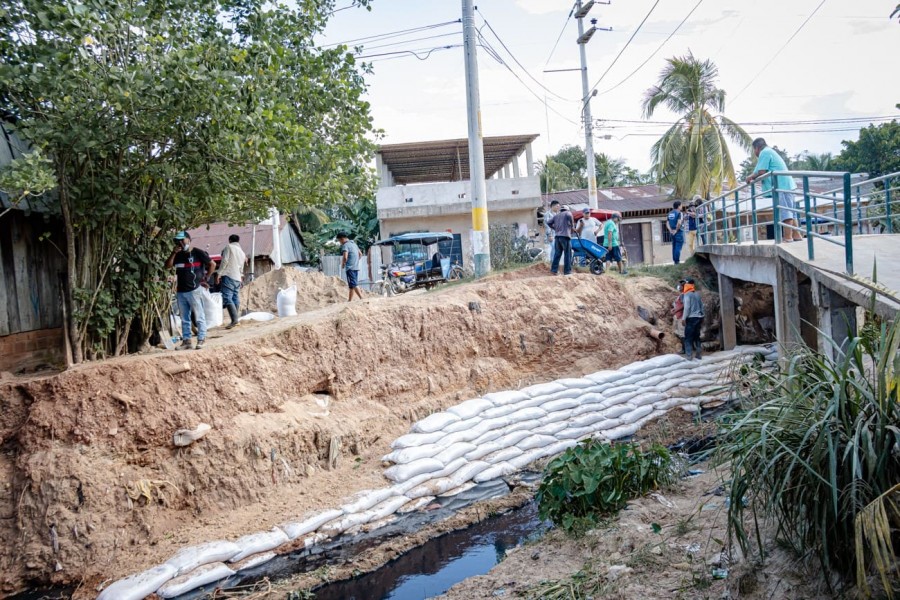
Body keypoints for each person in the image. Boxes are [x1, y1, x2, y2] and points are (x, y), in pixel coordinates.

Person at [165, 231, 215, 350]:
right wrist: (173, 253)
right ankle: (187, 342)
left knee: (199, 316)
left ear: (188, 239)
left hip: (194, 290)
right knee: (184, 318)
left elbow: (212, 264)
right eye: (178, 241)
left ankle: (201, 339)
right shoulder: (178, 255)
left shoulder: (198, 252)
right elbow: (167, 266)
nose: (180, 243)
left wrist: (206, 278)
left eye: (182, 240)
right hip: (181, 291)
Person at [746, 138, 801, 242]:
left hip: (782, 185)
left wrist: (750, 177)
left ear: (757, 148)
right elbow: (761, 171)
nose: (755, 153)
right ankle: (796, 235)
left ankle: (788, 237)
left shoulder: (765, 152)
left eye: (754, 150)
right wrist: (752, 176)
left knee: (786, 211)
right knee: (791, 211)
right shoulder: (769, 151)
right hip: (786, 184)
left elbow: (762, 171)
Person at [217, 234, 246, 329]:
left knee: (227, 297)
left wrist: (219, 273)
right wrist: (241, 276)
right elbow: (242, 266)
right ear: (238, 241)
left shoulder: (228, 247)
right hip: (237, 277)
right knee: (235, 297)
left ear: (229, 240)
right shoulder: (242, 252)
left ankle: (234, 320)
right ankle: (235, 319)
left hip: (229, 275)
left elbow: (224, 261)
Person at [546, 201, 574, 275]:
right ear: (567, 210)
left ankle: (554, 270)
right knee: (568, 254)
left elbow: (548, 222)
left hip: (557, 237)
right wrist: (572, 226)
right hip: (565, 236)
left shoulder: (556, 216)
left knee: (557, 254)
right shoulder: (568, 213)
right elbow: (570, 216)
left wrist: (555, 228)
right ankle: (567, 271)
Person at [681, 278, 705, 360]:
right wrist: (703, 316)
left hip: (691, 318)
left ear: (687, 285)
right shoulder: (697, 294)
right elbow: (702, 306)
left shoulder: (687, 294)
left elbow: (687, 307)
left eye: (684, 284)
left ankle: (689, 356)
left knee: (688, 338)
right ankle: (699, 355)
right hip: (698, 318)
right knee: (697, 337)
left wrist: (683, 318)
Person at [337, 231, 364, 301]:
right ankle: (350, 300)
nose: (340, 242)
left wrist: (343, 264)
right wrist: (355, 261)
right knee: (351, 285)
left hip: (350, 268)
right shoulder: (354, 244)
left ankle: (362, 298)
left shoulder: (345, 245)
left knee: (354, 284)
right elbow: (360, 254)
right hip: (356, 267)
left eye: (339, 241)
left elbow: (345, 257)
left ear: (342, 239)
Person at [670, 280, 687, 354]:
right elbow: (679, 304)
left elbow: (683, 305)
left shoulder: (684, 295)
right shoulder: (680, 295)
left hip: (681, 316)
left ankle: (685, 349)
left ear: (683, 287)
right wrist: (674, 309)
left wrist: (675, 310)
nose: (678, 286)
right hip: (678, 316)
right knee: (679, 333)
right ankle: (685, 349)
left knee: (682, 334)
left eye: (680, 285)